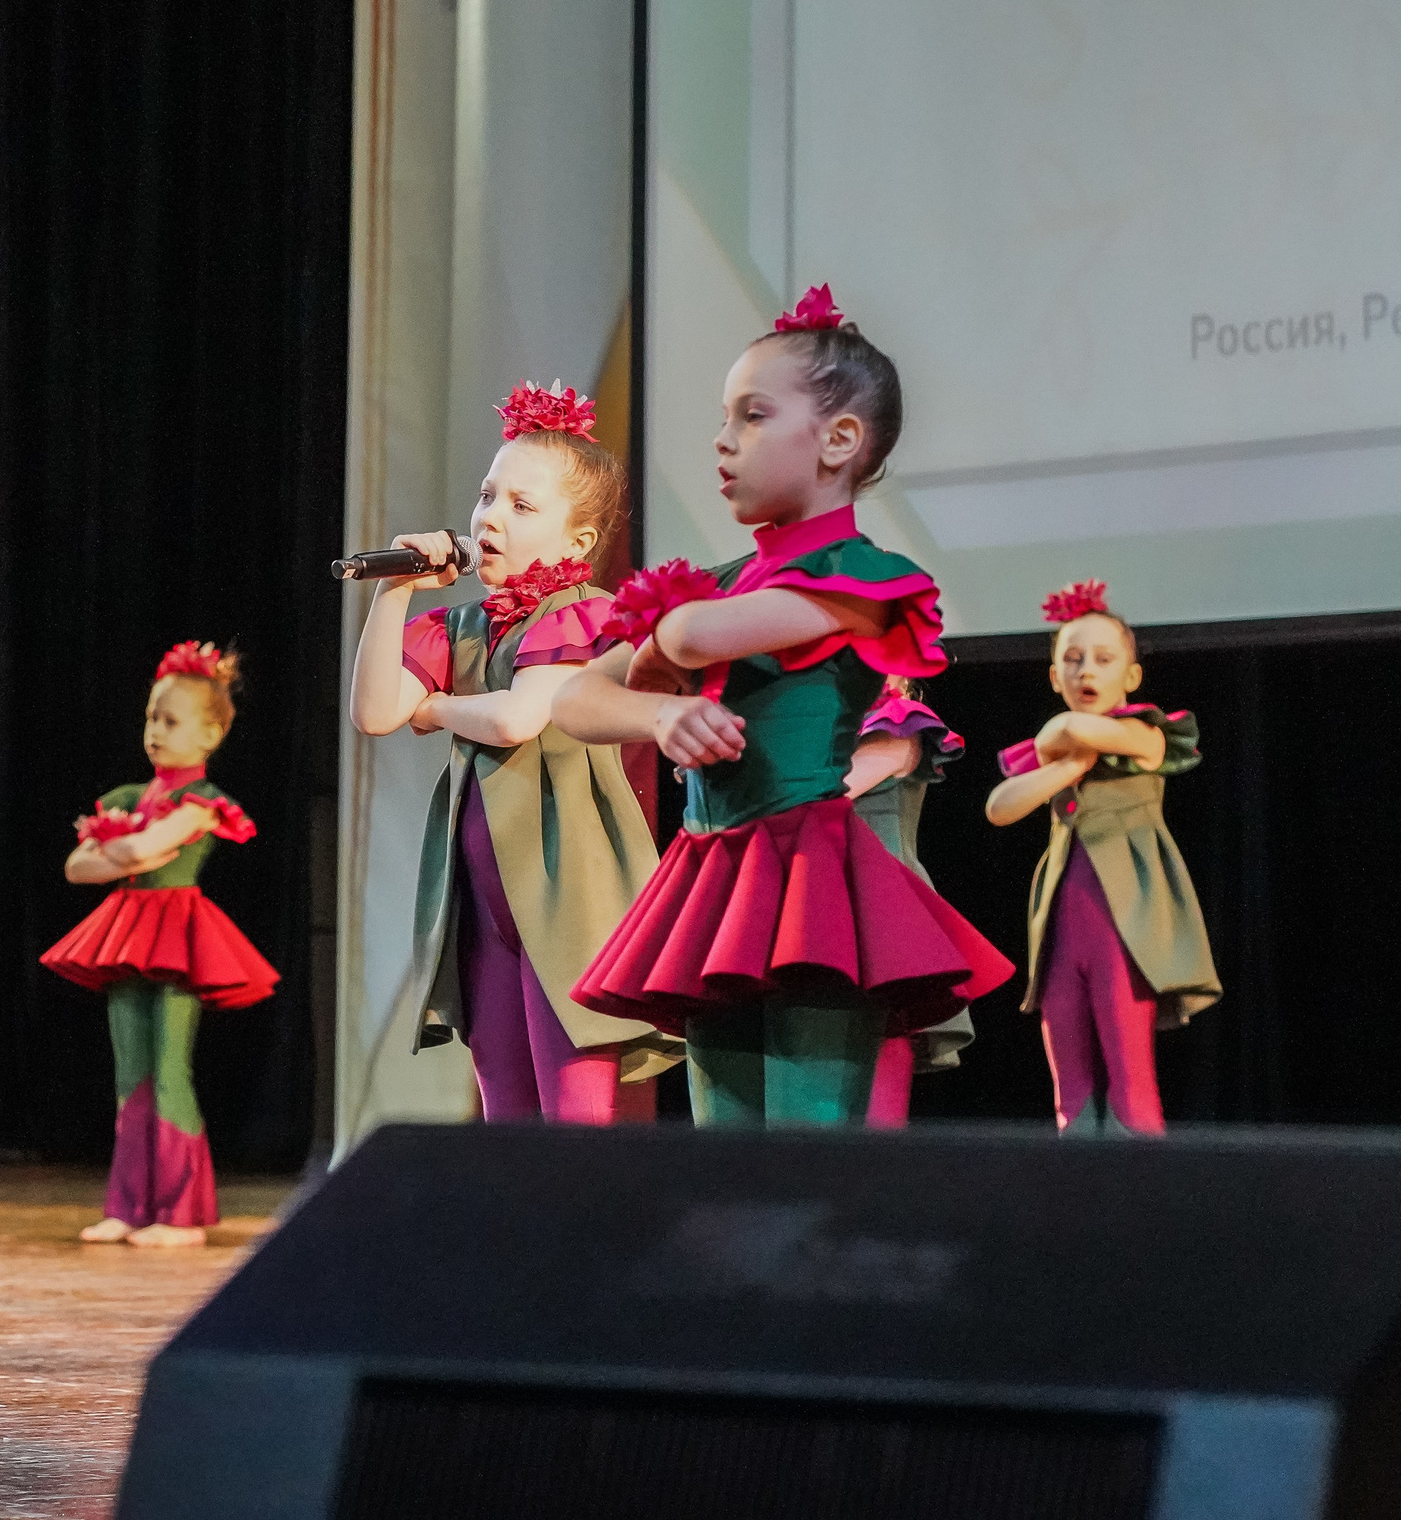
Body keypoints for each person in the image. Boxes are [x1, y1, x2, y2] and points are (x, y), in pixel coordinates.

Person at [556, 286, 1013, 1126]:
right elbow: (576, 694)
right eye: (725, 416)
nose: (724, 440)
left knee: (809, 1147)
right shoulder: (725, 578)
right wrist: (657, 716)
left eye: (754, 415)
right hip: (711, 876)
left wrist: (667, 645)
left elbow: (694, 637)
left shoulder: (864, 580)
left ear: (839, 439)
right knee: (723, 1154)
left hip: (809, 882)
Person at [347, 381, 673, 1122]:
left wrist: (432, 706)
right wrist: (395, 591)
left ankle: (582, 1240)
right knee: (505, 1108)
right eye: (489, 495)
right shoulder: (464, 624)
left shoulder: (580, 612)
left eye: (521, 507)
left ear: (578, 542)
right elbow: (374, 712)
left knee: (572, 1109)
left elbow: (521, 716)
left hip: (568, 891)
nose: (490, 517)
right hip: (488, 906)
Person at [41, 642, 276, 1247]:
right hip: (128, 932)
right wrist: (121, 851)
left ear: (210, 734)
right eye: (152, 717)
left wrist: (122, 851)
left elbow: (141, 852)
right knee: (131, 1072)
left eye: (170, 721)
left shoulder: (202, 801)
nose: (155, 730)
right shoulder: (127, 798)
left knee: (170, 1068)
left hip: (177, 934)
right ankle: (128, 1205)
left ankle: (181, 1213)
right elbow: (77, 867)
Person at [984, 580, 1220, 1137]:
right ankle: (1077, 1198)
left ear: (1131, 677)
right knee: (1069, 1086)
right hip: (1062, 933)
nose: (1086, 670)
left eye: (1102, 658)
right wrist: (1064, 769)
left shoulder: (1144, 732)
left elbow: (1072, 727)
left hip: (1125, 925)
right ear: (1053, 677)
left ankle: (1143, 1204)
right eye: (1071, 659)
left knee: (1130, 1080)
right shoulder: (1061, 756)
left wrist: (1058, 741)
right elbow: (999, 807)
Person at [844, 675, 973, 1126]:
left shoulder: (898, 724)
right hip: (820, 906)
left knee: (877, 1100)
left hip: (883, 912)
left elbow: (821, 792)